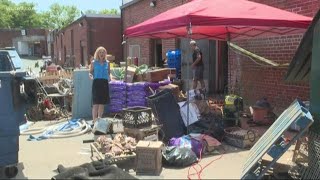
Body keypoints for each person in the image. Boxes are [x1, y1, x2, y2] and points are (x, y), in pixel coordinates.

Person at [89, 47, 110, 124]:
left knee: (102, 103)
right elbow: (90, 72)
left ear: (105, 54)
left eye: (103, 52)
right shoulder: (94, 62)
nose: (101, 54)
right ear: (97, 53)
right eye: (100, 52)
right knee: (96, 103)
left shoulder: (107, 63)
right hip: (96, 83)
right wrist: (90, 76)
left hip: (104, 83)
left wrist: (110, 78)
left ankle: (99, 120)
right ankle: (94, 121)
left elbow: (108, 73)